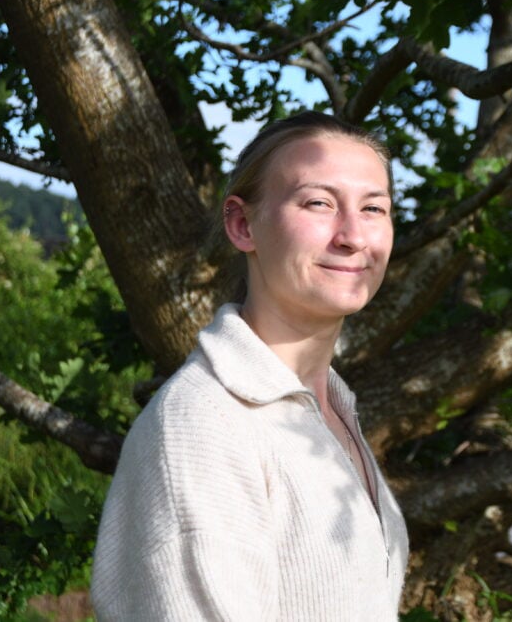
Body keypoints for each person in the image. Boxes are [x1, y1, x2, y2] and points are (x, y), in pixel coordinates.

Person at [90, 111, 409, 620]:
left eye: (374, 208)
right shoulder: (203, 426)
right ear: (242, 225)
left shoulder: (328, 409)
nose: (353, 235)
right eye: (319, 203)